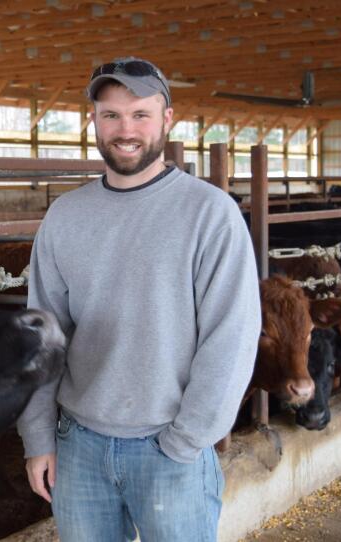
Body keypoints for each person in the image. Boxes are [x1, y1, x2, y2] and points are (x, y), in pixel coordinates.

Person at [16, 57, 261, 541]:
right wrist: (38, 437)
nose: (125, 129)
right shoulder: (65, 216)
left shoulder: (211, 213)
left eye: (140, 115)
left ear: (167, 119)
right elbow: (41, 335)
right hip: (79, 446)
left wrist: (186, 440)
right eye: (111, 115)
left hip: (170, 448)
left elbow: (231, 336)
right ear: (94, 121)